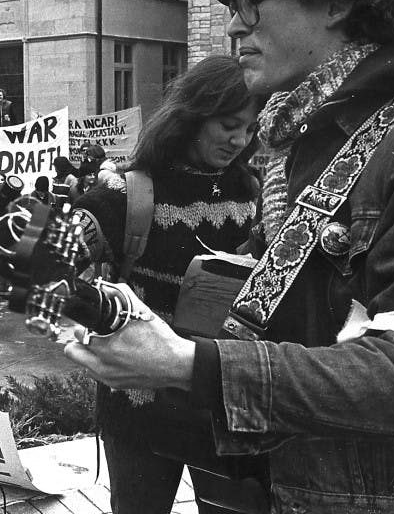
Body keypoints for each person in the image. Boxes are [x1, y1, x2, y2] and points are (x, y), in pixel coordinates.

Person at [61, 0, 394, 512]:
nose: (234, 25)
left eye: (252, 0)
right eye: (228, 7)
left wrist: (191, 364)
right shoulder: (305, 146)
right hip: (250, 451)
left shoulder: (371, 144)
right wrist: (21, 235)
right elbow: (54, 249)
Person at [68, 55, 262, 514]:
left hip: (225, 406)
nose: (239, 140)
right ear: (193, 116)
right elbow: (42, 257)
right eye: (229, 125)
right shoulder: (129, 191)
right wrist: (100, 314)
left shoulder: (255, 191)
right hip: (140, 409)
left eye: (250, 129)